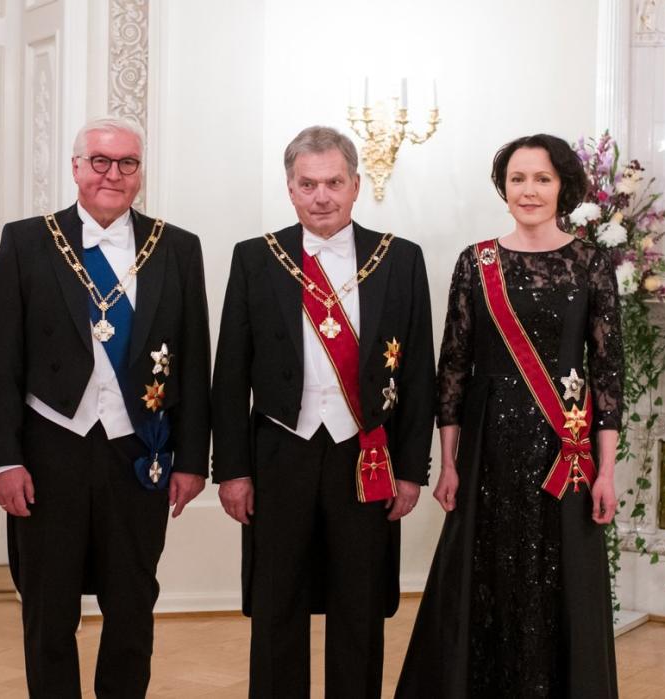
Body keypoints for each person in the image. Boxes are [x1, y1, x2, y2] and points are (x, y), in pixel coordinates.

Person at [0, 117, 211, 698]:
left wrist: (192, 459)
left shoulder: (177, 247)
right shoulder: (27, 240)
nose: (113, 174)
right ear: (76, 167)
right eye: (100, 161)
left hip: (140, 451)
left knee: (132, 607)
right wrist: (3, 460)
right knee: (48, 610)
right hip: (49, 452)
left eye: (127, 163)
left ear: (140, 173)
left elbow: (194, 360)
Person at [212, 125, 435, 699]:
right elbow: (230, 374)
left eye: (334, 182)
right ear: (289, 188)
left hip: (364, 455)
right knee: (276, 602)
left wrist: (412, 470)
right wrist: (232, 469)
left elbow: (417, 376)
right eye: (307, 184)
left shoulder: (400, 259)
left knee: (358, 605)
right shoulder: (256, 259)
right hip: (280, 452)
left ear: (356, 185)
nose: (322, 196)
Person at [396, 133, 623, 698]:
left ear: (564, 187)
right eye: (518, 178)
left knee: (561, 581)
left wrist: (608, 470)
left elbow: (610, 374)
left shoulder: (591, 263)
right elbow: (453, 367)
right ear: (503, 187)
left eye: (542, 179)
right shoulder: (477, 262)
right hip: (488, 452)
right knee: (484, 580)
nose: (529, 190)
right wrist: (446, 463)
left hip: (563, 455)